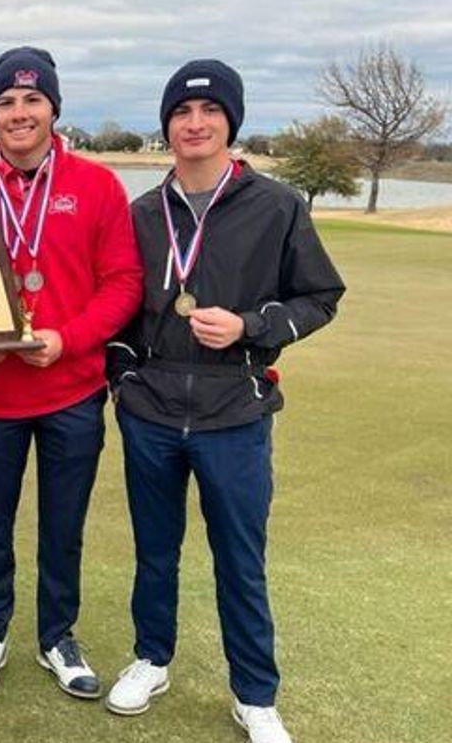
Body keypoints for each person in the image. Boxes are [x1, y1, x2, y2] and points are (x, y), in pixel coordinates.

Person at [103, 60, 344, 743]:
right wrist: (121, 381)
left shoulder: (277, 205)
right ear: (168, 127)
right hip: (150, 411)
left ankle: (255, 693)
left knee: (239, 555)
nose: (195, 123)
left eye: (209, 113)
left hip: (234, 411)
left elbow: (320, 297)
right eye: (181, 113)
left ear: (229, 123)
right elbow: (121, 312)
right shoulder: (143, 213)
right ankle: (152, 657)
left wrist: (252, 325)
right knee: (155, 550)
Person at [0, 46, 142, 700]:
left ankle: (57, 635)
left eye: (32, 99)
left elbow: (124, 283)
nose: (19, 112)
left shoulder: (98, 185)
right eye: (5, 102)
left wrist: (68, 338)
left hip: (73, 391)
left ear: (53, 107)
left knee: (63, 523)